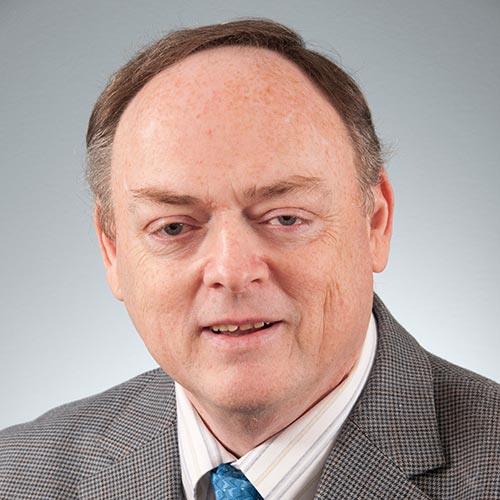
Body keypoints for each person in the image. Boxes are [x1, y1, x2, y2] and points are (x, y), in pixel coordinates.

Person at [1, 19, 499, 500]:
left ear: (375, 222)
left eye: (284, 218)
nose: (231, 272)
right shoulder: (17, 475)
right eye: (173, 226)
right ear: (111, 249)